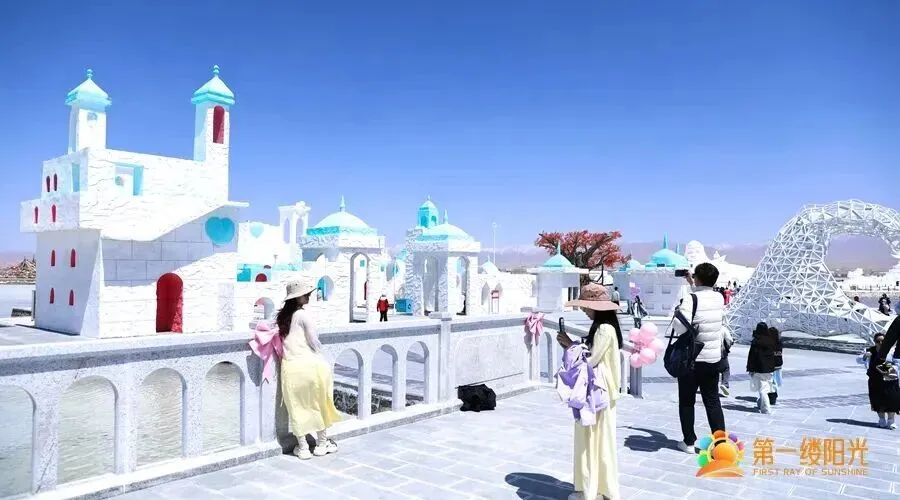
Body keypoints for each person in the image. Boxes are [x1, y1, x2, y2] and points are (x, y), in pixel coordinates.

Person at [556, 283, 622, 500]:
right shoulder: (607, 327)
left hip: (597, 393)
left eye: (585, 305)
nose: (583, 309)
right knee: (602, 442)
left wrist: (570, 346)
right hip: (605, 392)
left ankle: (589, 491)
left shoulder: (603, 329)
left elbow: (590, 360)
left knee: (590, 442)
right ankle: (602, 489)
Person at [275, 281, 342, 459]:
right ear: (297, 298)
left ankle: (303, 447)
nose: (308, 296)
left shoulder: (283, 318)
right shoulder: (303, 315)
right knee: (318, 404)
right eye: (305, 294)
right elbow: (313, 340)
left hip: (290, 367)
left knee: (296, 406)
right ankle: (322, 444)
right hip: (309, 365)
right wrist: (319, 353)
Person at [673, 262, 730, 454]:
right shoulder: (719, 297)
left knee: (687, 401)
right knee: (712, 401)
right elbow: (702, 300)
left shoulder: (690, 299)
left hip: (691, 360)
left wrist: (678, 313)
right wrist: (693, 283)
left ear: (697, 278)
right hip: (712, 358)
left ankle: (689, 441)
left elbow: (680, 328)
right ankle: (720, 445)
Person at [861, 332, 900, 429]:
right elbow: (859, 360)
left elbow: (898, 363)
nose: (880, 343)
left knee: (892, 399)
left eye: (882, 340)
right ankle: (881, 420)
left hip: (890, 378)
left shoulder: (892, 351)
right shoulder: (870, 350)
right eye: (878, 341)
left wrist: (887, 368)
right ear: (875, 342)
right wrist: (865, 356)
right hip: (875, 379)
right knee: (877, 399)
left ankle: (891, 421)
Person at [746, 322, 778, 414]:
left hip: (759, 369)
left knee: (762, 389)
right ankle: (760, 403)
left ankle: (766, 408)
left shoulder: (756, 341)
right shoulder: (770, 341)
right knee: (765, 387)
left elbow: (752, 356)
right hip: (769, 369)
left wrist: (750, 368)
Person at [767, 326, 784, 406]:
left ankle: (772, 396)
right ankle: (774, 394)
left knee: (772, 381)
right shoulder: (779, 343)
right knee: (776, 381)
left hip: (770, 365)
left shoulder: (768, 343)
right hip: (778, 364)